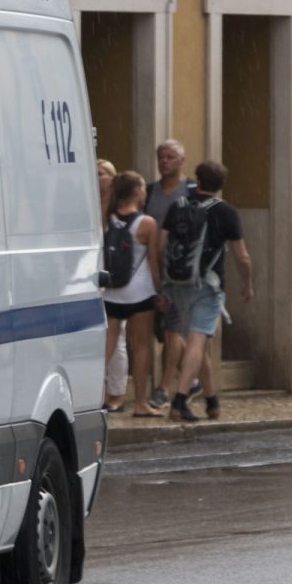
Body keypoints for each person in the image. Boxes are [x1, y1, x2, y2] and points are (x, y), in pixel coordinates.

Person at [165, 160, 253, 422]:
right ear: (221, 185)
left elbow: (160, 245)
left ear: (197, 180)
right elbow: (242, 256)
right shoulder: (225, 212)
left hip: (178, 284)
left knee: (197, 343)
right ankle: (180, 400)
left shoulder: (177, 206)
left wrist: (162, 283)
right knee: (197, 342)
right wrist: (247, 284)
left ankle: (212, 401)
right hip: (208, 286)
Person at [100, 171, 161, 417]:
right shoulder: (146, 224)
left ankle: (91, 397)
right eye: (143, 187)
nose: (145, 191)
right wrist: (160, 290)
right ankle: (140, 403)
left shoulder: (107, 218)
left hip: (111, 293)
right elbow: (154, 262)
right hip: (140, 293)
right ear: (136, 192)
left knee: (105, 347)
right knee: (141, 347)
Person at [143, 139, 197, 407]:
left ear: (181, 161)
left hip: (181, 273)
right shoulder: (150, 192)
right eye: (161, 157)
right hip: (152, 270)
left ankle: (164, 388)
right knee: (164, 332)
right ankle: (194, 375)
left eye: (171, 157)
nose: (165, 161)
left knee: (171, 330)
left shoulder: (192, 192)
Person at [95, 159, 129, 406]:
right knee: (102, 332)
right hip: (93, 271)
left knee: (117, 333)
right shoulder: (84, 202)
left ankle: (116, 391)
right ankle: (99, 387)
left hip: (114, 273)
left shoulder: (119, 208)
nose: (96, 178)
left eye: (101, 174)